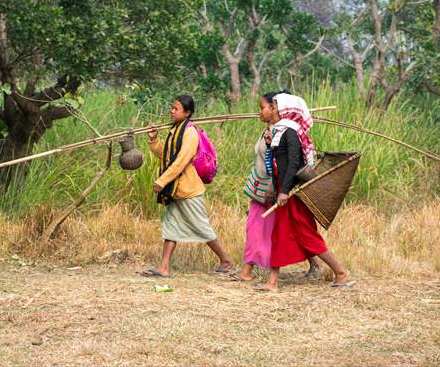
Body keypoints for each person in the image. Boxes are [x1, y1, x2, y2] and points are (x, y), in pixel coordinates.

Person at [255, 92, 354, 292]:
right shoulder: (280, 132)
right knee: (282, 235)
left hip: (293, 195)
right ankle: (273, 282)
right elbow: (278, 162)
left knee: (306, 236)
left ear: (284, 110)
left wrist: (284, 191)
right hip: (285, 193)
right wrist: (275, 187)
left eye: (274, 106)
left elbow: (293, 163)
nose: (272, 110)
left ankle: (341, 272)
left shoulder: (291, 131)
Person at [141, 95, 234, 278]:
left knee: (202, 227)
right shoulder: (174, 130)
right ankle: (164, 268)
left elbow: (181, 161)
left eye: (176, 109)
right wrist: (153, 140)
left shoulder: (190, 132)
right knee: (171, 227)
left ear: (188, 112)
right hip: (175, 190)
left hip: (188, 190)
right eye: (172, 108)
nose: (172, 111)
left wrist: (162, 181)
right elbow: (167, 155)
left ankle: (226, 260)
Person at [230, 91, 319, 282]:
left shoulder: (287, 133)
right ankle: (313, 264)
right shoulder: (273, 133)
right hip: (264, 188)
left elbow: (286, 164)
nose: (260, 112)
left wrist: (278, 190)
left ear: (274, 109)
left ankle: (251, 272)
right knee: (281, 230)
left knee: (267, 229)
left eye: (263, 107)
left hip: (273, 190)